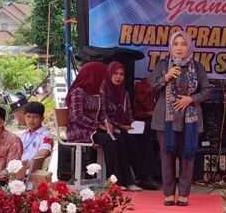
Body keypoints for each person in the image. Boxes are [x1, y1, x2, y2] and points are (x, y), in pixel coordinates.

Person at [150, 30, 212, 206]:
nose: (179, 48)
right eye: (176, 44)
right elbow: (152, 87)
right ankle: (168, 193)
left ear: (189, 47)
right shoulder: (163, 65)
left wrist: (191, 99)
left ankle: (184, 193)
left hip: (189, 120)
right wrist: (166, 77)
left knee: (187, 157)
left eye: (183, 44)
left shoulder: (197, 68)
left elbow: (207, 90)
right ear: (170, 47)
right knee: (167, 158)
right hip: (165, 120)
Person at [66, 62, 140, 191]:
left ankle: (128, 181)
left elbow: (102, 114)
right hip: (80, 130)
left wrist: (107, 124)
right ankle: (114, 181)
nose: (104, 79)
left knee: (118, 138)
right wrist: (99, 125)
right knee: (110, 140)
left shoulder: (98, 92)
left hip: (96, 129)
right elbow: (77, 116)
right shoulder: (78, 91)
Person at [100, 61, 159, 190]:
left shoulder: (124, 93)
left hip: (125, 126)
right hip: (111, 127)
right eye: (115, 73)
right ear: (109, 74)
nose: (118, 77)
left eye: (121, 74)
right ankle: (137, 176)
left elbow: (129, 113)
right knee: (129, 139)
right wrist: (120, 125)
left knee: (144, 135)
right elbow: (103, 115)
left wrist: (133, 124)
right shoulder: (102, 91)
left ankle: (147, 176)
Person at [134, 76, 161, 182]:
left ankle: (163, 174)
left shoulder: (160, 91)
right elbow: (134, 113)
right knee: (146, 139)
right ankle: (149, 175)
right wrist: (149, 113)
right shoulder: (139, 90)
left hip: (158, 123)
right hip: (142, 123)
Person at [18, 101, 53, 176]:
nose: (31, 120)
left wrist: (26, 165)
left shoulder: (46, 135)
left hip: (32, 174)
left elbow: (45, 151)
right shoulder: (23, 135)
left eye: (35, 117)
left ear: (42, 118)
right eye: (28, 116)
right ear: (24, 116)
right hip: (17, 171)